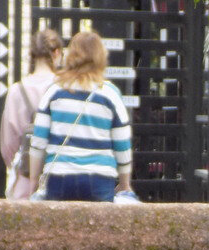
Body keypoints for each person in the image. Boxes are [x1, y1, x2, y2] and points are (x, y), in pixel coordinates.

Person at [28, 30, 133, 202]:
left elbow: (38, 141)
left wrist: (33, 181)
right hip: (99, 178)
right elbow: (123, 144)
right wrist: (125, 183)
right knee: (99, 227)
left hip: (59, 177)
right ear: (101, 57)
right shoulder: (110, 94)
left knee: (56, 227)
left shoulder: (55, 91)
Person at [0, 29, 63, 200]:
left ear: (33, 55)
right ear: (56, 53)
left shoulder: (16, 90)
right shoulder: (63, 89)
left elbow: (8, 146)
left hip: (25, 181)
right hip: (58, 177)